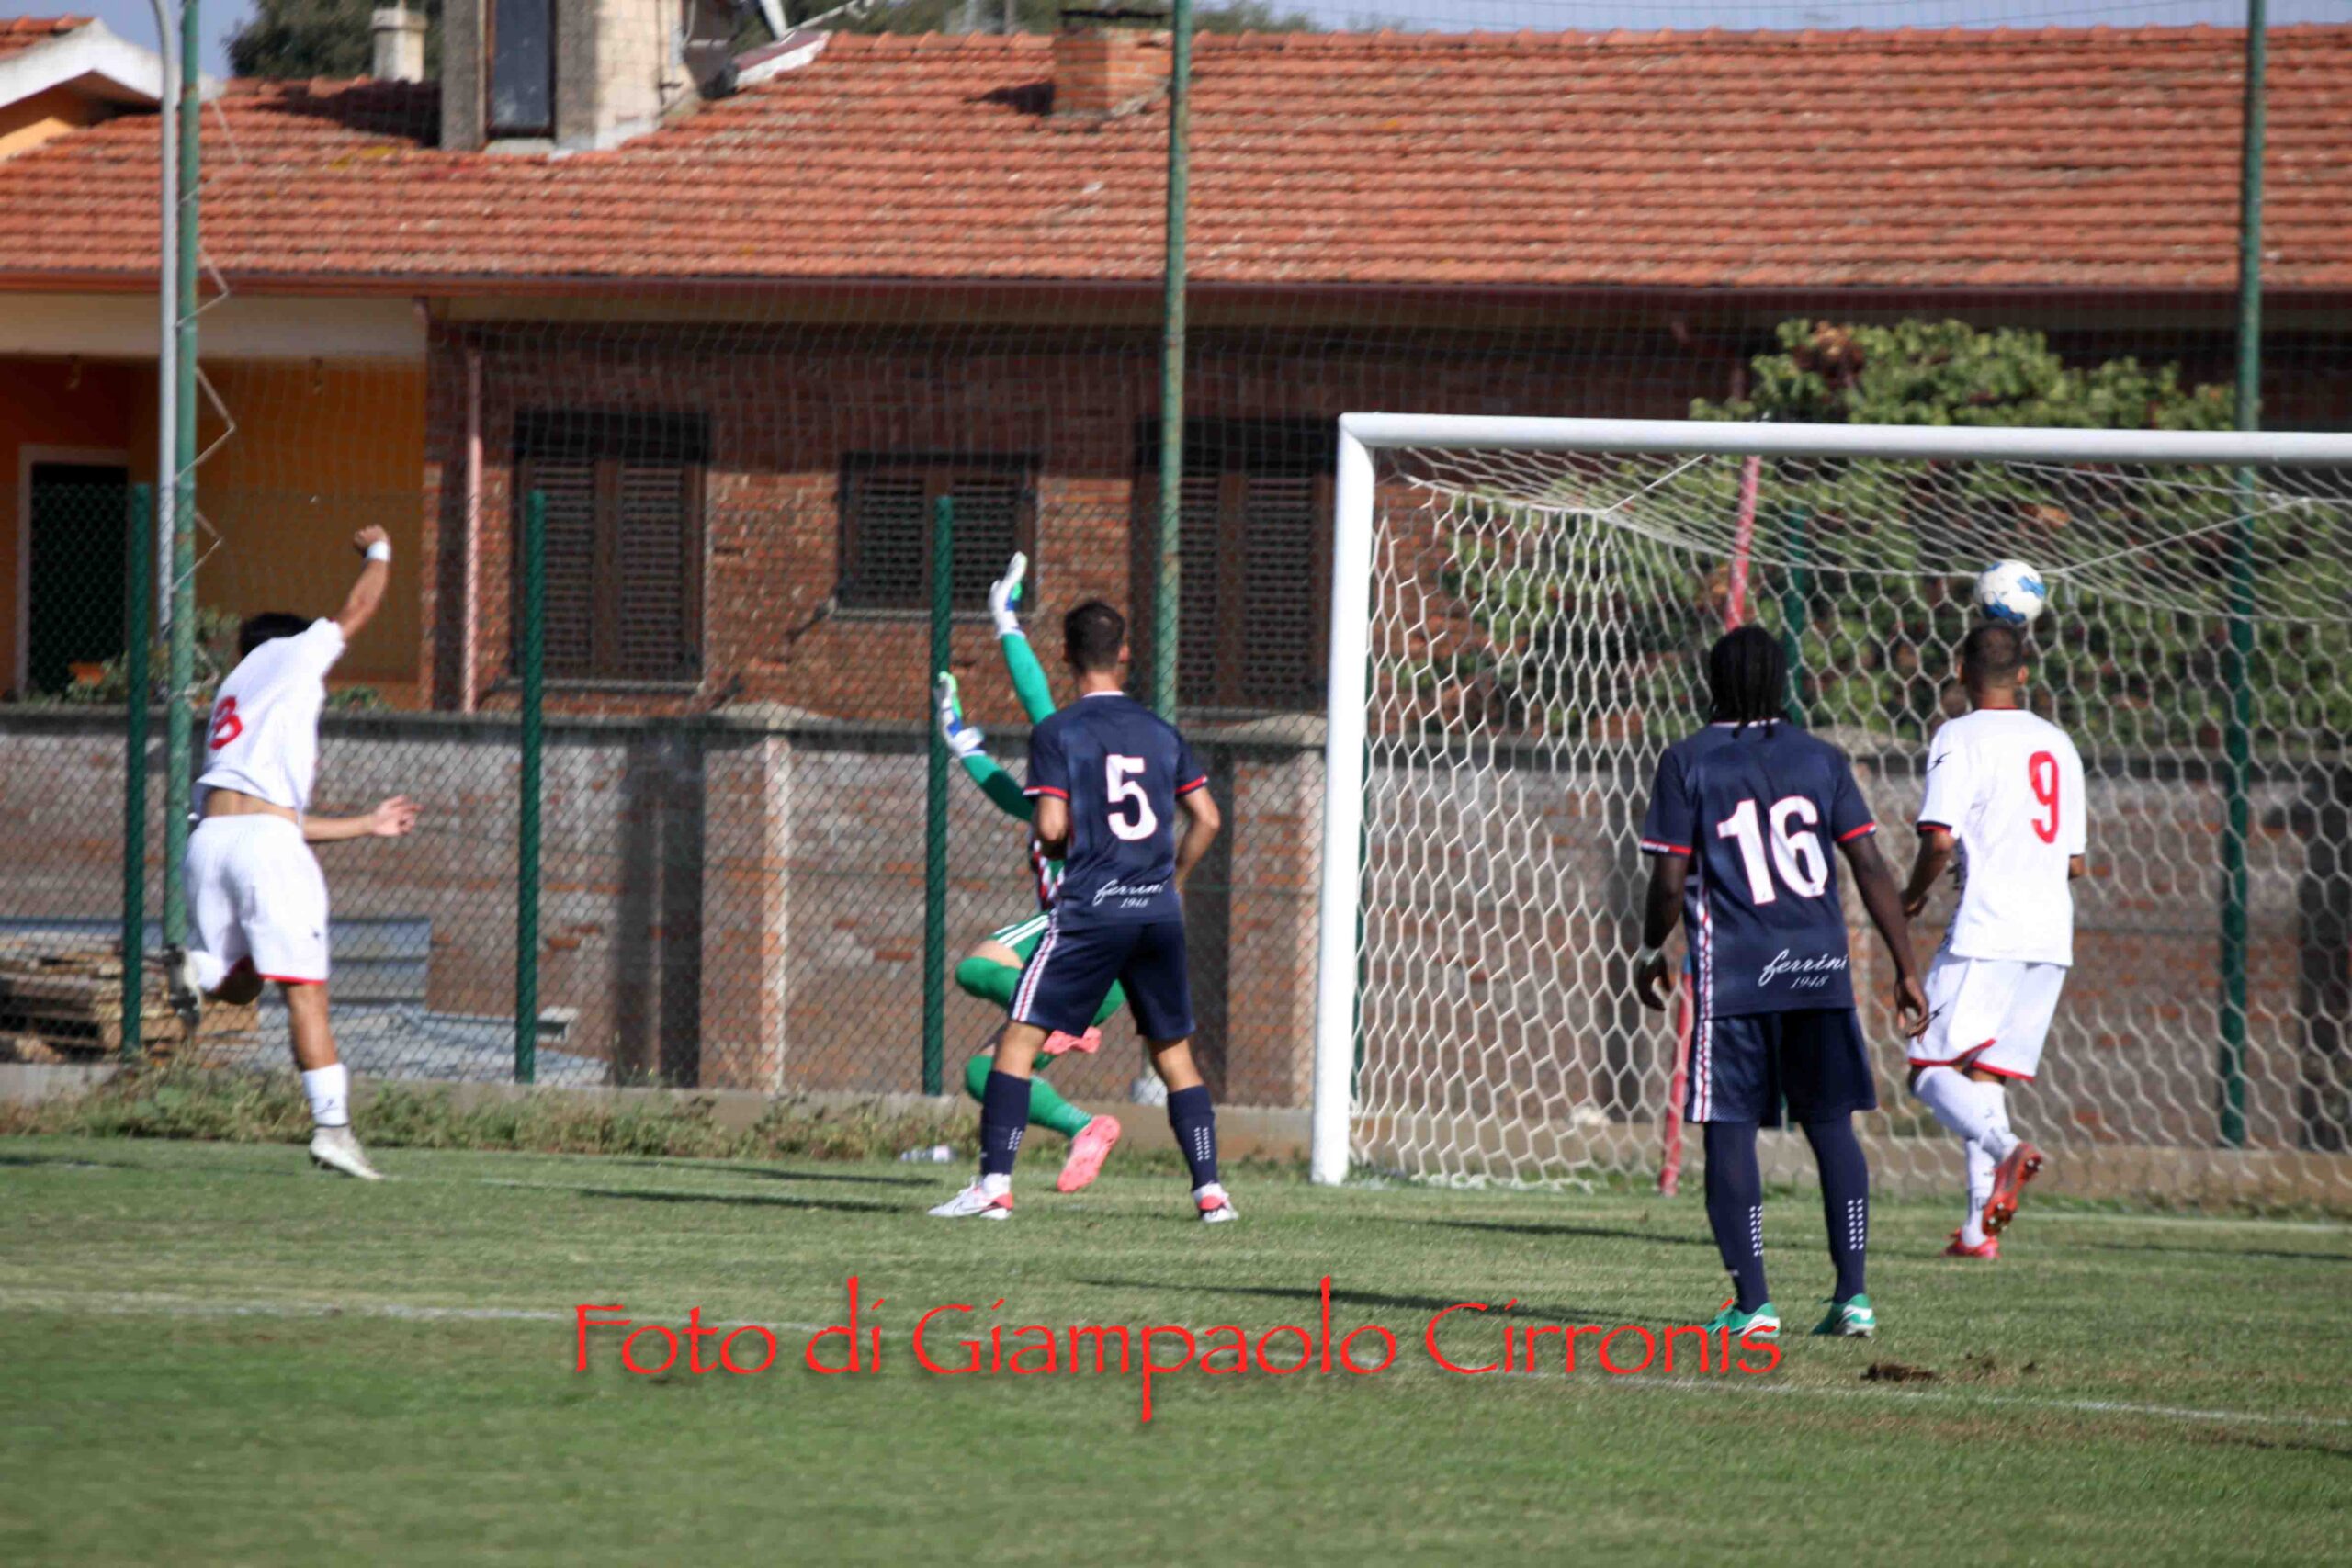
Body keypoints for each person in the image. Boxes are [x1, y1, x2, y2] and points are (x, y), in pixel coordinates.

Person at [1634, 626, 1928, 1338]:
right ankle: (1853, 1296)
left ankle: (1753, 1303)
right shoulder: (1822, 758)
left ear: (1713, 682)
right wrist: (1906, 965)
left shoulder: (1686, 760)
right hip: (1819, 970)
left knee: (1729, 1131)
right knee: (1832, 1128)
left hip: (1736, 977)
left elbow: (1670, 882)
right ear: (1781, 681)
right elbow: (1870, 866)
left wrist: (1649, 947)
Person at [930, 600, 1229, 1222]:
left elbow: (1049, 825)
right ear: (1125, 654)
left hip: (1093, 911)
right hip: (1156, 913)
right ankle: (1211, 1194)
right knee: (1174, 1056)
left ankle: (993, 1188)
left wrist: (1066, 842)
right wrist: (1174, 879)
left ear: (1064, 655)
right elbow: (1207, 818)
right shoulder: (1161, 732)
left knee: (1017, 1041)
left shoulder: (1059, 733)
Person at [167, 525, 419, 1180]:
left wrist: (365, 824)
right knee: (306, 996)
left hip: (209, 843)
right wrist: (380, 550)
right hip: (265, 847)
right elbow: (360, 606)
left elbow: (272, 818)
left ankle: (198, 965)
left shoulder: (233, 692)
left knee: (241, 983)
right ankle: (333, 1130)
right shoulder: (293, 654)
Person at [931, 554, 1125, 1192]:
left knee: (974, 968)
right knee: (984, 1073)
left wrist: (1005, 620)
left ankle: (1066, 1021)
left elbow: (1040, 703)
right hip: (1106, 964)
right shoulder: (1059, 796)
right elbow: (1008, 796)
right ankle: (1084, 1127)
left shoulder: (1076, 774)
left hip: (1080, 935)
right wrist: (961, 741)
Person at [1902, 623, 2086, 1258]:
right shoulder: (2059, 742)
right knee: (1986, 1072)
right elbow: (2075, 862)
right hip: (2051, 935)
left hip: (1988, 928)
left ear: (1960, 670)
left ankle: (2008, 1149)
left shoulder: (1958, 736)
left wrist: (1911, 895)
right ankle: (1979, 1232)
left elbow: (1939, 839)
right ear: (2025, 674)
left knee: (1927, 1068)